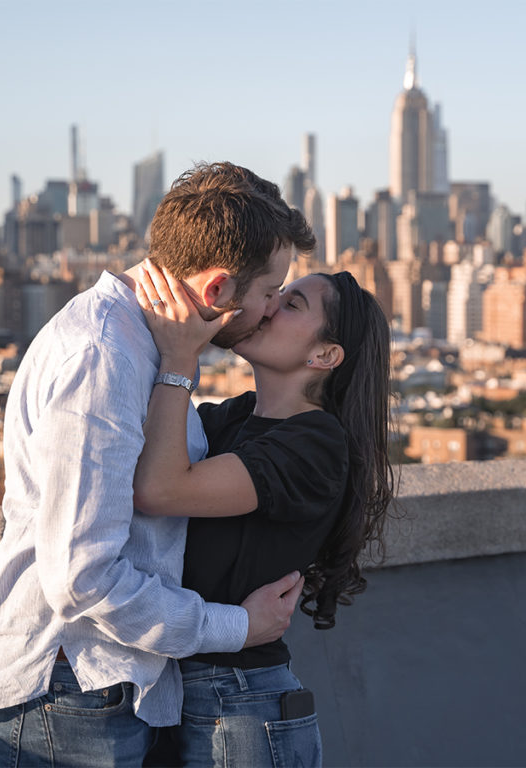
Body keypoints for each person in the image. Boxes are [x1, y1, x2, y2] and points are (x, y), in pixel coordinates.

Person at [0, 162, 316, 767]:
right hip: (73, 691)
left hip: (99, 686)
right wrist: (236, 628)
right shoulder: (104, 357)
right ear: (220, 289)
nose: (272, 308)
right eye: (269, 292)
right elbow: (81, 577)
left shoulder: (142, 342)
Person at [131, 260, 396, 767]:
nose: (270, 306)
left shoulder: (316, 443)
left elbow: (158, 489)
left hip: (242, 705)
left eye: (291, 303)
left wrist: (181, 356)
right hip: (183, 694)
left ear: (325, 354)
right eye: (275, 294)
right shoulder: (233, 417)